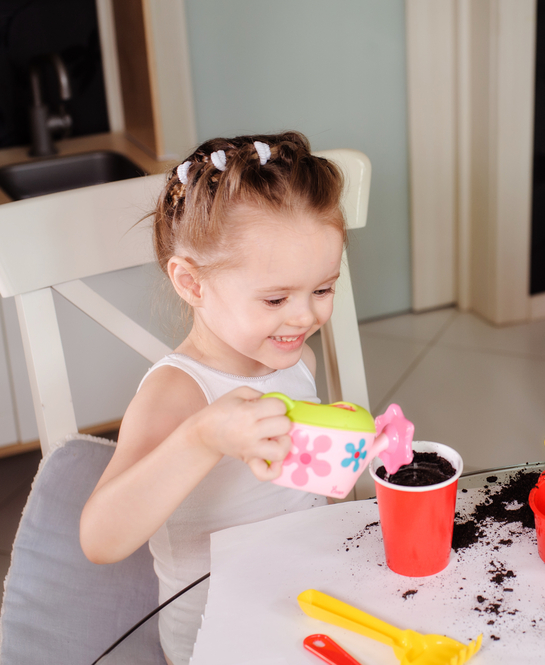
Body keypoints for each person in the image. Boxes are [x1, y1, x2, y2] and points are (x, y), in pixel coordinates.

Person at [79, 132, 346, 664]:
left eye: (323, 289)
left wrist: (336, 446)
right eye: (276, 298)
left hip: (308, 604)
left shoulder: (298, 363)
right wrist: (202, 437)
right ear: (193, 284)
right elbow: (100, 539)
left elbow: (293, 496)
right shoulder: (176, 392)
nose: (306, 317)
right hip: (219, 634)